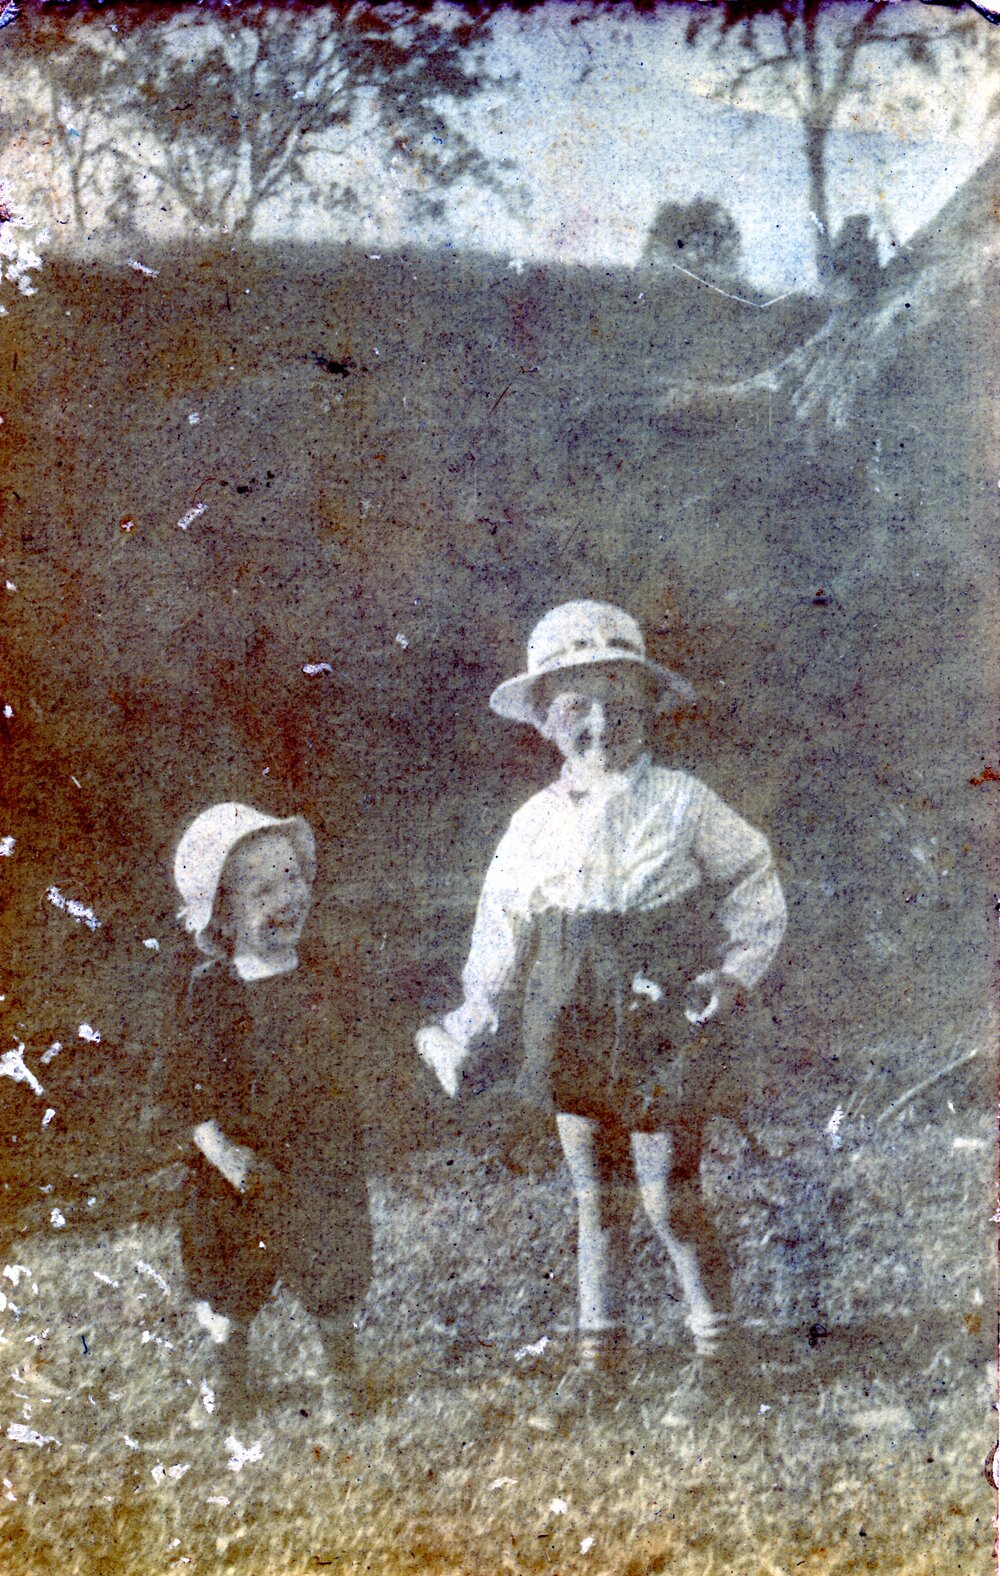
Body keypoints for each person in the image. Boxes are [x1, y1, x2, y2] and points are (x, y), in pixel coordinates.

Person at [416, 601, 786, 1416]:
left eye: (620, 699)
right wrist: (474, 1017)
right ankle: (600, 1363)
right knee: (596, 1196)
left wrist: (733, 972)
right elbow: (502, 927)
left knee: (667, 1195)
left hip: (658, 1013)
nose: (599, 721)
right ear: (546, 722)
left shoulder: (686, 803)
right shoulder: (536, 823)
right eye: (576, 705)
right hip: (571, 1010)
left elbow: (752, 877)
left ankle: (719, 1353)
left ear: (650, 706)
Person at [157, 803, 373, 1424]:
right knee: (228, 1271)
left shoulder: (324, 977)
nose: (287, 898)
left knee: (331, 1257)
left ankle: (339, 1370)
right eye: (263, 890)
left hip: (318, 1155)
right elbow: (183, 1087)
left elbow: (351, 1061)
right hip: (234, 1165)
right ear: (222, 911)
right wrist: (224, 1153)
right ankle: (230, 1379)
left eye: (293, 879)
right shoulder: (212, 990)